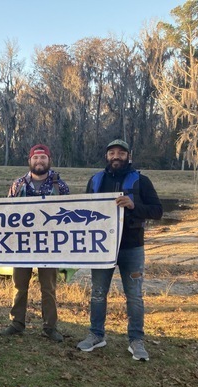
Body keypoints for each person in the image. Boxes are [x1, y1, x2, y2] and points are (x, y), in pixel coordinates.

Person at [77, 138, 163, 362]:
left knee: (134, 296)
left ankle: (136, 340)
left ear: (128, 156)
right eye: (112, 153)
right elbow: (83, 211)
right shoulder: (95, 180)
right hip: (101, 247)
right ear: (107, 156)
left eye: (121, 153)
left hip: (132, 246)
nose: (116, 156)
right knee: (97, 294)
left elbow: (157, 211)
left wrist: (134, 206)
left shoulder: (141, 181)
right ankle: (96, 335)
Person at [1, 144, 69, 342]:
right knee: (19, 286)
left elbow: (68, 216)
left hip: (50, 245)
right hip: (22, 244)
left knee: (48, 288)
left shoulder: (60, 186)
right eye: (36, 158)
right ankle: (16, 323)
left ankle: (50, 327)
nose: (39, 161)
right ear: (30, 161)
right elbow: (6, 213)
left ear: (49, 160)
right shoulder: (18, 185)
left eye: (43, 158)